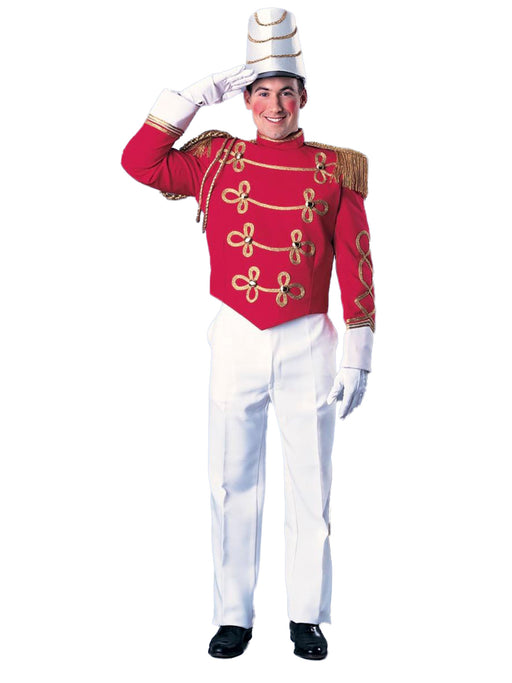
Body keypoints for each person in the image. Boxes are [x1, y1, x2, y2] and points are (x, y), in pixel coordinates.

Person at [121, 7, 375, 660]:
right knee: (230, 479)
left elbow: (357, 265)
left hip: (308, 338)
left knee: (311, 482)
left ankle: (306, 615)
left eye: (286, 92)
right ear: (246, 99)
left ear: (304, 98)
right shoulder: (213, 159)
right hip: (235, 332)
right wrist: (196, 94)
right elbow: (139, 162)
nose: (275, 105)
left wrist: (359, 354)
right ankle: (232, 615)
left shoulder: (336, 169)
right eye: (262, 91)